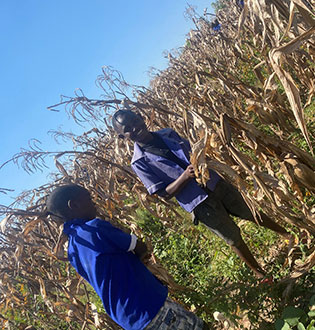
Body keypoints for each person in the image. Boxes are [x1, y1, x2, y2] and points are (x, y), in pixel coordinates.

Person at [112, 109, 291, 279]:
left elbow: (196, 151)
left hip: (215, 184)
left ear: (141, 117)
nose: (135, 128)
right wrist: (185, 177)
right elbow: (163, 193)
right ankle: (261, 274)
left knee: (254, 213)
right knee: (233, 238)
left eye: (135, 121)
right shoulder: (139, 162)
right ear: (122, 136)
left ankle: (289, 236)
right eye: (128, 129)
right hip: (200, 203)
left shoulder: (168, 133)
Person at [46, 184, 210, 330]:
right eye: (89, 198)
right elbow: (138, 246)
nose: (94, 202)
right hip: (148, 306)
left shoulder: (73, 249)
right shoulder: (94, 229)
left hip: (129, 319)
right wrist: (141, 255)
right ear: (74, 205)